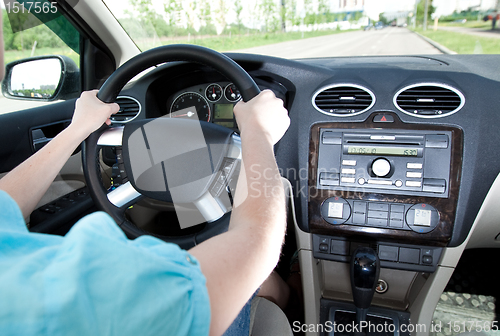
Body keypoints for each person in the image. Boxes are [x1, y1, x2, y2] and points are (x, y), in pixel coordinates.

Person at [0, 13, 291, 336]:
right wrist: (257, 135)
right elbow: (255, 243)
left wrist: (78, 129)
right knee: (263, 282)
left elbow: (4, 201)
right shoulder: (130, 297)